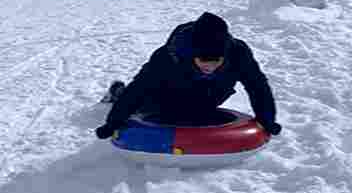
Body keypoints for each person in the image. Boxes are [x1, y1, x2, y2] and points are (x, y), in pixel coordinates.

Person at [94, 12, 281, 139]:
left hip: (211, 95)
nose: (210, 68)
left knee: (198, 110)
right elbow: (138, 88)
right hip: (165, 94)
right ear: (193, 54)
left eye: (216, 62)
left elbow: (257, 86)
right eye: (204, 62)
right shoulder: (167, 56)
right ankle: (116, 92)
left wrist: (267, 119)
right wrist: (113, 123)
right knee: (146, 106)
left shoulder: (238, 53)